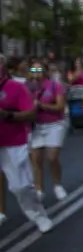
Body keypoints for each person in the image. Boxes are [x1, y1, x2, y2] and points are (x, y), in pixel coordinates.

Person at [0, 55, 53, 233]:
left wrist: (7, 115)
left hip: (13, 142)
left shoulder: (15, 87)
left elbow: (30, 114)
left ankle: (39, 215)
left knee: (20, 186)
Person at [28, 59, 68, 201]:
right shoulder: (27, 87)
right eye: (33, 70)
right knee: (36, 160)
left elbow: (60, 106)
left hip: (54, 124)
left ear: (44, 71)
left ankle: (57, 185)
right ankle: (39, 189)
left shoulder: (54, 86)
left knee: (52, 157)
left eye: (39, 70)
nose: (36, 73)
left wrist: (42, 106)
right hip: (36, 126)